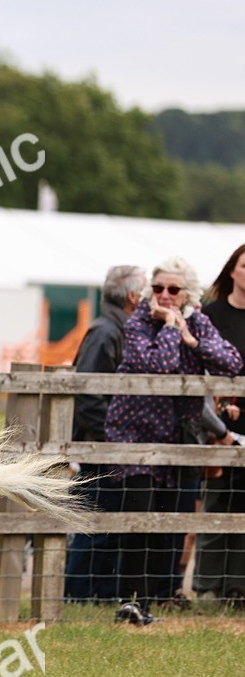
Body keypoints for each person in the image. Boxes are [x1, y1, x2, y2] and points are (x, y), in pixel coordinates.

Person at [106, 256, 241, 625]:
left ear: (187, 293)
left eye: (173, 290)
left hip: (176, 436)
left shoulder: (198, 320)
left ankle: (151, 601)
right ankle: (130, 601)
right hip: (134, 436)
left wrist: (191, 338)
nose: (164, 295)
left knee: (167, 523)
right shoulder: (138, 323)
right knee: (139, 519)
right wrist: (168, 326)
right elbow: (156, 366)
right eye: (158, 288)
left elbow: (231, 362)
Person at [64, 265, 148, 602]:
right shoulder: (105, 332)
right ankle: (79, 595)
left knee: (108, 523)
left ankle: (101, 594)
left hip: (110, 444)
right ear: (131, 296)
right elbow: (87, 394)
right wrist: (114, 439)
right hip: (103, 447)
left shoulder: (119, 329)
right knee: (94, 524)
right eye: (144, 291)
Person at [194, 244, 245, 607]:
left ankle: (238, 588)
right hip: (220, 424)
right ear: (232, 271)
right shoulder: (211, 316)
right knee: (216, 506)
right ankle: (209, 586)